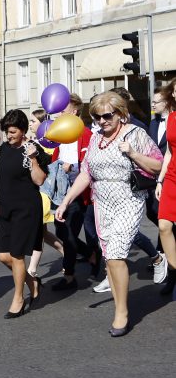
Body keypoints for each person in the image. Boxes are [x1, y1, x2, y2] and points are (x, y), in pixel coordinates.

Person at [56, 92, 162, 337]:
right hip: (102, 202)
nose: (102, 120)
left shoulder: (135, 135)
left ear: (120, 113)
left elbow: (158, 165)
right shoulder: (96, 139)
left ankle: (122, 312)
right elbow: (86, 174)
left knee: (115, 255)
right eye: (96, 116)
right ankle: (119, 304)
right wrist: (66, 201)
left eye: (107, 115)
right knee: (109, 257)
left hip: (128, 198)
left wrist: (133, 154)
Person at [0, 109, 49, 318]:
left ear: (23, 130)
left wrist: (34, 159)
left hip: (26, 209)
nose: (8, 136)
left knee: (17, 255)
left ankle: (19, 298)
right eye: (7, 132)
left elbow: (39, 180)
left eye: (12, 132)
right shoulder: (4, 149)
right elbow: (3, 178)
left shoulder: (34, 149)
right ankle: (32, 281)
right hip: (6, 207)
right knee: (3, 256)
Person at [51, 94, 98, 291]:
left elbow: (89, 165)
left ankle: (69, 276)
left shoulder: (85, 134)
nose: (60, 112)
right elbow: (54, 156)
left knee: (69, 233)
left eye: (64, 109)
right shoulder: (61, 133)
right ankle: (91, 254)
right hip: (60, 192)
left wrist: (72, 168)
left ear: (74, 111)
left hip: (79, 192)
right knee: (61, 230)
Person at [27, 108, 64, 276]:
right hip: (33, 191)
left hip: (44, 193)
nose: (30, 124)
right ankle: (68, 253)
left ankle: (32, 269)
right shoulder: (34, 141)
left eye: (33, 121)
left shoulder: (49, 144)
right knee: (43, 232)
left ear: (44, 124)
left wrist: (35, 152)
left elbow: (50, 165)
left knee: (37, 231)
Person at [156, 77, 176, 298]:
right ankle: (174, 269)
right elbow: (169, 152)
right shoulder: (171, 118)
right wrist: (160, 180)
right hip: (172, 177)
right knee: (163, 226)